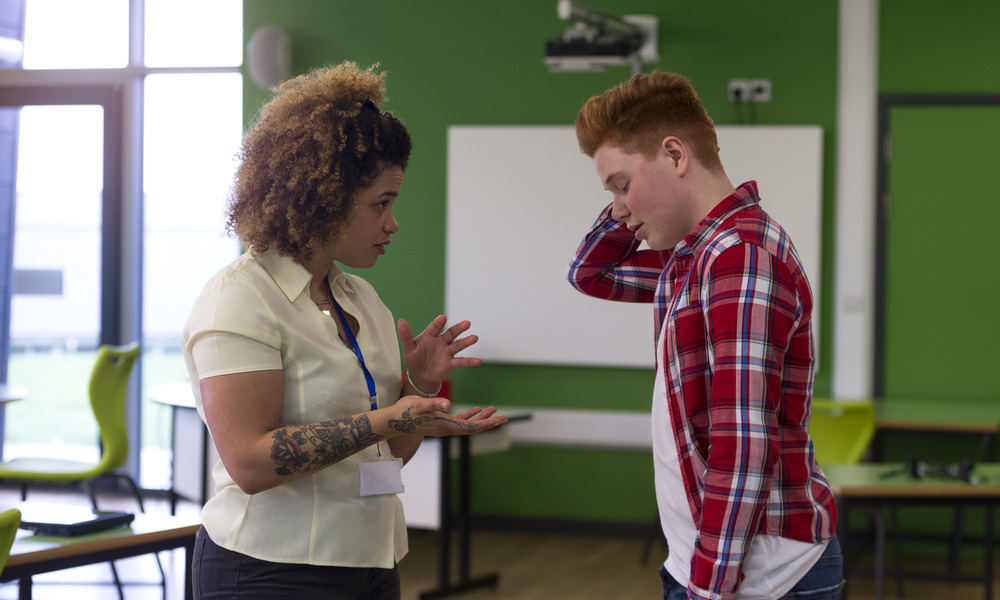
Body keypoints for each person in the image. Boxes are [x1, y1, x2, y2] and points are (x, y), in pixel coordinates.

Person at [181, 61, 508, 599]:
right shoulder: (238, 298)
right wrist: (384, 417)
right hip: (268, 571)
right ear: (324, 200)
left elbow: (391, 451)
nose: (393, 223)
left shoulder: (360, 297)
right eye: (382, 204)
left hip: (372, 561)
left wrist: (419, 390)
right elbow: (250, 463)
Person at [566, 71, 843, 600]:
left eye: (623, 184)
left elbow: (743, 448)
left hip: (760, 578)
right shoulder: (692, 260)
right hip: (705, 561)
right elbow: (589, 274)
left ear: (675, 155)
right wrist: (625, 200)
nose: (619, 208)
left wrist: (709, 590)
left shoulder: (740, 260)